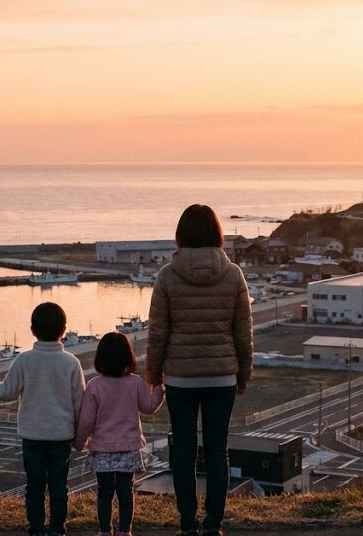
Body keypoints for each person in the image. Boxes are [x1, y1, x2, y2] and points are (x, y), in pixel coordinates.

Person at [145, 204, 253, 536]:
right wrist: (243, 372)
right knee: (217, 451)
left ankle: (188, 524)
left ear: (181, 234)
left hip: (180, 377)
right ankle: (214, 525)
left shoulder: (167, 275)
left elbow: (158, 333)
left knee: (184, 451)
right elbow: (242, 332)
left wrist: (153, 374)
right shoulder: (233, 274)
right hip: (222, 375)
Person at [0, 302, 86, 536]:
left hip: (32, 436)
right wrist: (80, 436)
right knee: (59, 488)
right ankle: (57, 529)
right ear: (64, 329)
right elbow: (80, 403)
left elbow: (6, 392)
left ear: (32, 329)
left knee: (34, 487)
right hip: (61, 437)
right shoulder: (71, 362)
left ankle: (36, 529)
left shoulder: (25, 360)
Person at [74, 332, 164, 536]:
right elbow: (149, 407)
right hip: (129, 447)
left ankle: (105, 531)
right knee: (125, 492)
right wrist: (159, 388)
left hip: (102, 448)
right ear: (128, 358)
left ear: (100, 358)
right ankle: (125, 531)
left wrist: (79, 442)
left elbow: (87, 420)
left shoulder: (95, 385)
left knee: (104, 492)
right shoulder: (136, 383)